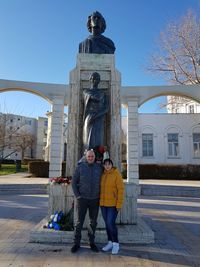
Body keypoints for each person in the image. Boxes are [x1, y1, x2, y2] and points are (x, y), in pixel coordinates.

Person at [71, 149, 103, 253]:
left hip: (95, 199)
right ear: (86, 157)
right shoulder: (80, 167)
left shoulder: (99, 167)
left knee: (93, 222)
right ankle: (76, 243)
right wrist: (78, 196)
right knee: (79, 222)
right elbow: (73, 182)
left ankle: (92, 242)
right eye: (89, 156)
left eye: (92, 156)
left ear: (94, 157)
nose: (90, 158)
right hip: (82, 199)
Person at [100, 158, 124, 255]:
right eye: (105, 164)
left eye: (109, 164)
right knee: (107, 224)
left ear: (112, 165)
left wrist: (119, 204)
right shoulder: (103, 174)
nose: (107, 166)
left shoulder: (116, 174)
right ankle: (110, 242)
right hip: (103, 204)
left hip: (113, 205)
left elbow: (121, 190)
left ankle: (116, 243)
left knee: (111, 223)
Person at [82, 72, 108, 150]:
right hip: (89, 117)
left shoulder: (102, 93)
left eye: (97, 78)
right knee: (87, 137)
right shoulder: (86, 91)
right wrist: (92, 116)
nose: (95, 80)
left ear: (99, 80)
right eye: (93, 78)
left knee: (98, 138)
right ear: (90, 79)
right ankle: (87, 155)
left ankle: (98, 156)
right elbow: (93, 97)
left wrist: (97, 115)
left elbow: (106, 108)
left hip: (99, 117)